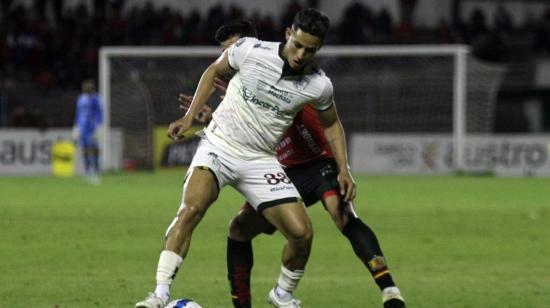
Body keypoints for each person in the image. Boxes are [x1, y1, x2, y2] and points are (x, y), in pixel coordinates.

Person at [135, 9, 356, 308]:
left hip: (261, 160)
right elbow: (214, 71)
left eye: (311, 50)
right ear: (288, 33)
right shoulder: (250, 49)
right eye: (298, 45)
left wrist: (344, 169)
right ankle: (159, 295)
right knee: (191, 209)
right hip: (219, 145)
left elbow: (331, 124)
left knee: (302, 233)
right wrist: (188, 119)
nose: (302, 54)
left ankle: (282, 295)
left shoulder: (318, 84)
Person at [180, 20, 406, 308]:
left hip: (318, 163)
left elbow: (322, 120)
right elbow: (250, 125)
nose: (226, 55)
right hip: (283, 170)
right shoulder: (245, 79)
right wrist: (213, 117)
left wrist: (344, 168)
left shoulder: (289, 74)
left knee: (342, 214)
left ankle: (389, 290)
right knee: (238, 229)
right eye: (224, 51)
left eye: (231, 48)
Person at [72, 79, 102, 184]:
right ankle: (87, 172)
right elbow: (78, 113)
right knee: (84, 150)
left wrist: (98, 127)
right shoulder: (80, 99)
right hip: (82, 128)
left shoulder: (95, 98)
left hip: (91, 128)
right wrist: (76, 127)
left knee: (93, 150)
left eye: (89, 86)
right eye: (85, 86)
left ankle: (96, 174)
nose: (87, 88)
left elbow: (99, 113)